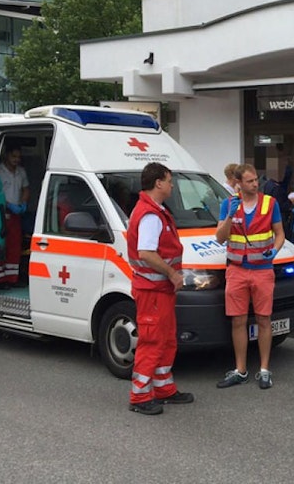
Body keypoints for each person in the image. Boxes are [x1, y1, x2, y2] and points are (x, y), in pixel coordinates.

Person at [125, 162, 194, 415]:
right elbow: (146, 252)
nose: (172, 185)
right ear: (158, 183)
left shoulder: (154, 210)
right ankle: (140, 397)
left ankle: (163, 388)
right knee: (152, 341)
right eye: (169, 180)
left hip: (158, 290)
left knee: (165, 340)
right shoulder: (151, 215)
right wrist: (172, 273)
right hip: (153, 290)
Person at [215, 163, 285, 390]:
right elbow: (220, 238)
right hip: (236, 269)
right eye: (250, 181)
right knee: (238, 320)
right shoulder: (227, 204)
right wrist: (229, 216)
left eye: (256, 180)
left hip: (262, 270)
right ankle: (241, 370)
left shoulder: (269, 203)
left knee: (264, 319)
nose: (255, 184)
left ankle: (264, 370)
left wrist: (274, 251)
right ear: (238, 183)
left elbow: (280, 234)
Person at [0, 146, 29, 289]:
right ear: (7, 155)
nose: (16, 160)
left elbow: (26, 189)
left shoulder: (21, 171)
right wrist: (8, 205)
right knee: (0, 246)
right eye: (14, 156)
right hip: (0, 214)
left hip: (16, 215)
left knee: (15, 246)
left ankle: (12, 279)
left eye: (18, 157)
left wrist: (23, 202)